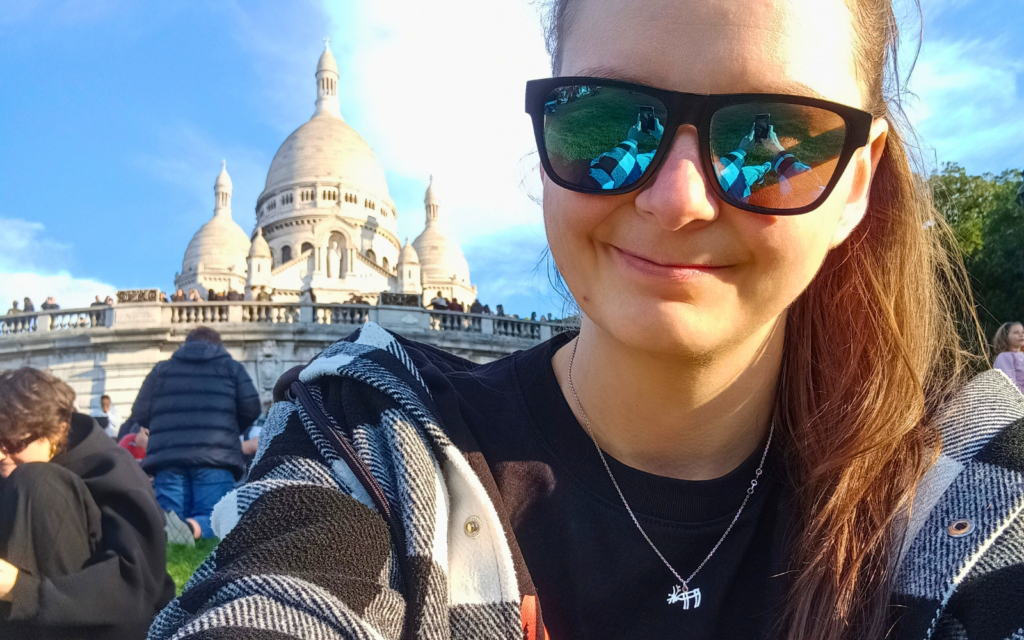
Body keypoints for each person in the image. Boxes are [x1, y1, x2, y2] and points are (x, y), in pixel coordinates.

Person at [150, 1, 1024, 640]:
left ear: (857, 183)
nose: (678, 200)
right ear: (543, 136)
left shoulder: (974, 481)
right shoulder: (369, 441)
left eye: (771, 139)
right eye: (609, 120)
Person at [0, 368, 174, 638]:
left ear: (55, 431)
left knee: (34, 480)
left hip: (110, 621)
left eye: (12, 443)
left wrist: (18, 588)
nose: (1, 453)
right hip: (35, 612)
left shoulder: (112, 470)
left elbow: (136, 587)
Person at [132, 326, 260, 540]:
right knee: (216, 520)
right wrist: (228, 429)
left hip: (168, 457)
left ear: (187, 344)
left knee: (169, 525)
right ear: (218, 345)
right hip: (215, 457)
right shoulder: (232, 368)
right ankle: (192, 528)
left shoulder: (161, 370)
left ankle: (174, 549)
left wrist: (163, 429)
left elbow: (140, 412)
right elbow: (251, 409)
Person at [992, 321, 1024, 392]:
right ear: (1005, 336)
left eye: (1023, 332)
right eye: (1016, 333)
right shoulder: (1004, 356)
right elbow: (1008, 383)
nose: (1021, 335)